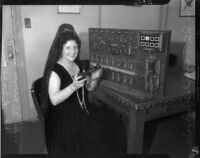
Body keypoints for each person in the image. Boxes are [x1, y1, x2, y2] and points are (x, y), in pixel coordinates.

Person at [41, 23, 126, 158]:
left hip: (81, 108)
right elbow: (54, 100)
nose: (72, 51)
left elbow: (87, 89)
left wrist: (94, 78)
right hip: (64, 117)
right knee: (96, 136)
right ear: (60, 49)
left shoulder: (77, 64)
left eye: (75, 47)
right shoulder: (55, 71)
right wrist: (73, 86)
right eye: (68, 47)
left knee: (112, 123)